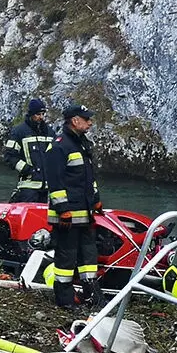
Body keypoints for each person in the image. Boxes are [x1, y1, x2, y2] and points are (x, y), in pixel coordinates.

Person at [45, 104, 105, 309]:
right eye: (86, 119)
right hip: (68, 216)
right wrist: (63, 210)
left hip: (85, 214)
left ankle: (92, 295)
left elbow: (89, 178)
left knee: (89, 256)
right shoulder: (60, 146)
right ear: (75, 120)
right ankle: (65, 300)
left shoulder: (82, 144)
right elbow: (55, 183)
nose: (90, 123)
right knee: (66, 258)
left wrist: (96, 199)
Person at [3, 98, 56, 202]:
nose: (41, 117)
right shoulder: (19, 132)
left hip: (48, 188)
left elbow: (56, 156)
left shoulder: (50, 132)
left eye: (43, 114)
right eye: (38, 114)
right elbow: (9, 157)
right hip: (28, 187)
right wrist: (27, 170)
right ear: (31, 114)